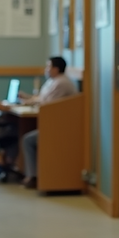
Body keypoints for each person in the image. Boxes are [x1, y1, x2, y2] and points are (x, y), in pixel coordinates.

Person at [20, 57, 79, 189]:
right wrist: (29, 98)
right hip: (54, 123)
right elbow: (43, 98)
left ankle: (33, 176)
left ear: (56, 69)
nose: (46, 70)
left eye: (48, 67)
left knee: (28, 140)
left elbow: (47, 104)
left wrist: (30, 101)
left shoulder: (61, 83)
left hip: (60, 127)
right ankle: (31, 173)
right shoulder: (53, 81)